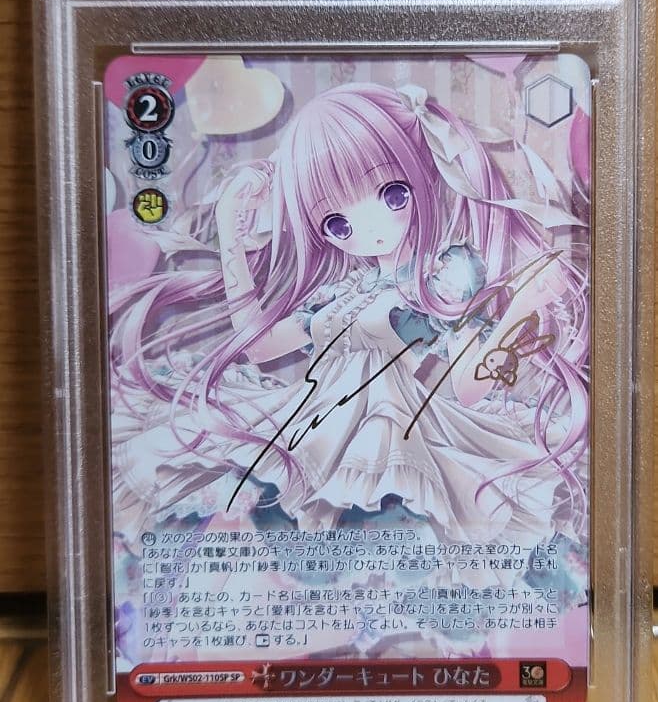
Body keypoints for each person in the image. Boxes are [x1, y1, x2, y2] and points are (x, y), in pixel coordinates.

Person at [110, 81, 589, 557]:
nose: (370, 229)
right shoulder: (347, 289)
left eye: (392, 194)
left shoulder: (444, 273)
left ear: (422, 173)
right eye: (336, 224)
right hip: (311, 425)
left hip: (392, 433)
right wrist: (230, 234)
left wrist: (521, 308)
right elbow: (258, 347)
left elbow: (467, 386)